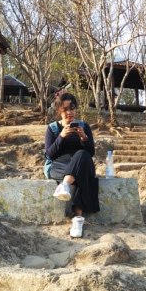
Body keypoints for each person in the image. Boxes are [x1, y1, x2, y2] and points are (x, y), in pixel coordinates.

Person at [44, 92, 99, 237]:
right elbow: (50, 154)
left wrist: (83, 137)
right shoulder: (53, 129)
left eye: (72, 108)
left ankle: (65, 185)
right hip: (59, 165)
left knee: (82, 155)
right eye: (66, 109)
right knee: (83, 173)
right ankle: (78, 218)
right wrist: (61, 137)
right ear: (59, 111)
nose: (70, 112)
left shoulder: (84, 126)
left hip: (80, 163)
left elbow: (91, 152)